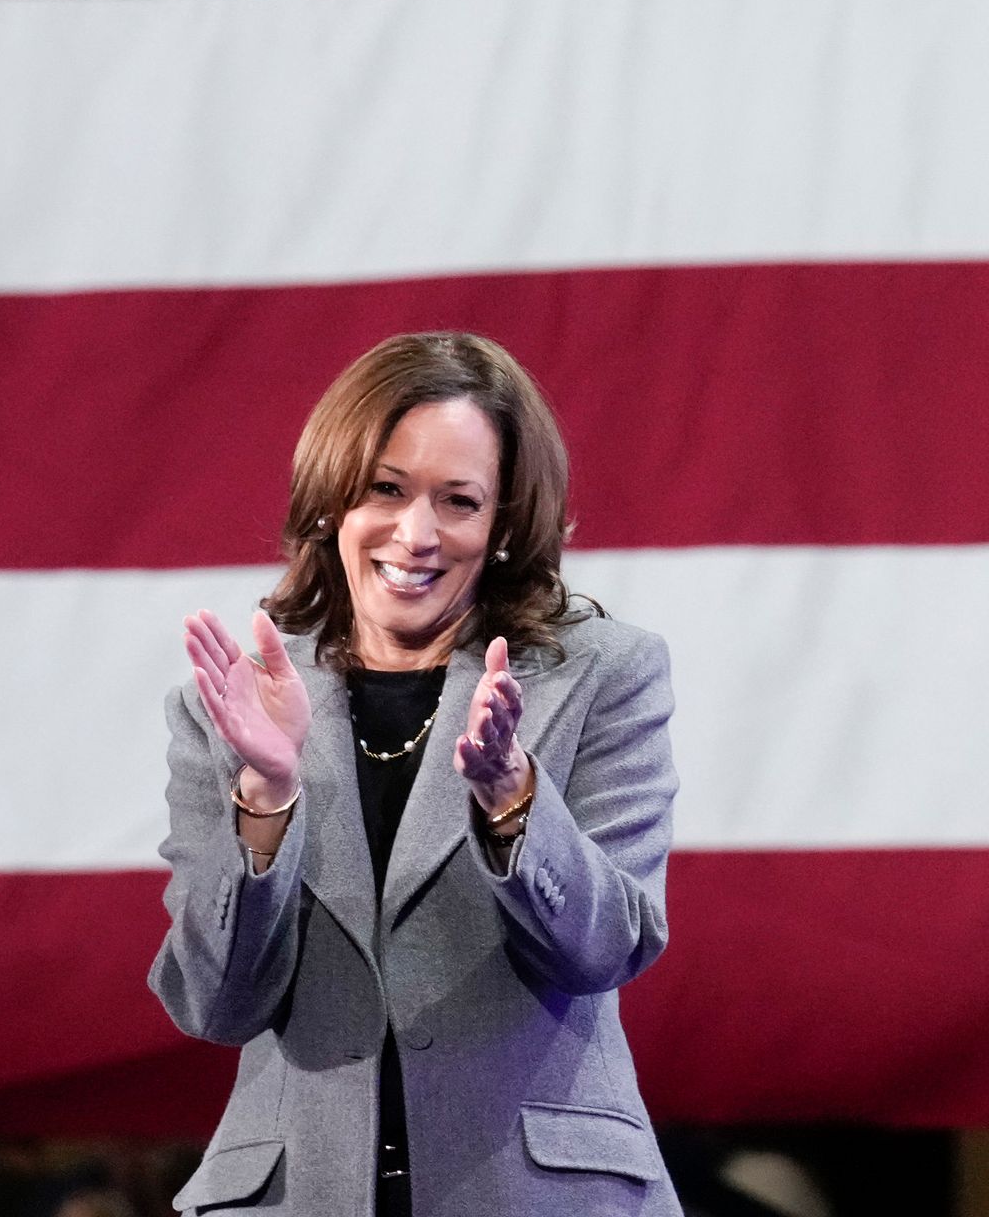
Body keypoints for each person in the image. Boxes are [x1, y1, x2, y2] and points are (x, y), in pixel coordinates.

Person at [155, 331, 681, 1214]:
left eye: (459, 501)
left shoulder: (602, 675)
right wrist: (267, 797)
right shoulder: (232, 705)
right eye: (386, 490)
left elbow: (608, 949)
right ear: (334, 502)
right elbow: (215, 1003)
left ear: (506, 521)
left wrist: (513, 799)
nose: (417, 534)